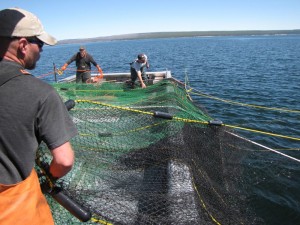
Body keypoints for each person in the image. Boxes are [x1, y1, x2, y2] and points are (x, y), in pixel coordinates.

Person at [0, 8, 77, 225]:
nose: (42, 50)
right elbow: (64, 161)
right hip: (15, 212)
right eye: (40, 44)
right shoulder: (41, 93)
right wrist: (48, 180)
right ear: (23, 45)